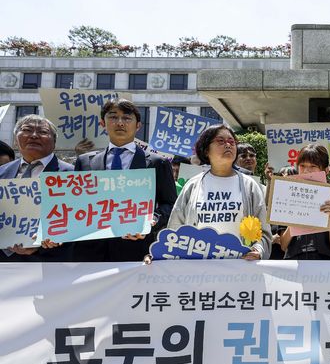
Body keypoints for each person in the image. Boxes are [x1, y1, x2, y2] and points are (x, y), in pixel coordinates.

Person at [73, 98, 177, 261]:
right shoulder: (85, 161)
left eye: (127, 118)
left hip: (137, 250)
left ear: (138, 126)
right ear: (102, 123)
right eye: (113, 117)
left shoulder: (158, 162)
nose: (120, 123)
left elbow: (170, 204)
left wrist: (153, 219)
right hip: (91, 252)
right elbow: (74, 204)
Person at [168, 124, 271, 260]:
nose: (228, 145)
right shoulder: (193, 185)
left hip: (240, 271)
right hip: (198, 270)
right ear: (206, 150)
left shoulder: (249, 185)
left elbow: (264, 231)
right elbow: (174, 230)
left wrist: (258, 250)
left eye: (231, 142)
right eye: (221, 141)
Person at [0, 115, 73, 261]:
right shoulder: (2, 172)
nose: (34, 135)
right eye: (26, 130)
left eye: (43, 132)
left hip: (51, 262)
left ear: (54, 143)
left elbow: (80, 221)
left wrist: (44, 239)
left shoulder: (73, 174)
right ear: (15, 140)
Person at [278, 144, 330, 260]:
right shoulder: (287, 198)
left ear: (325, 170)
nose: (306, 171)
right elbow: (284, 245)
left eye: (313, 166)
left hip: (324, 263)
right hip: (294, 262)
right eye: (302, 165)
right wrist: (293, 218)